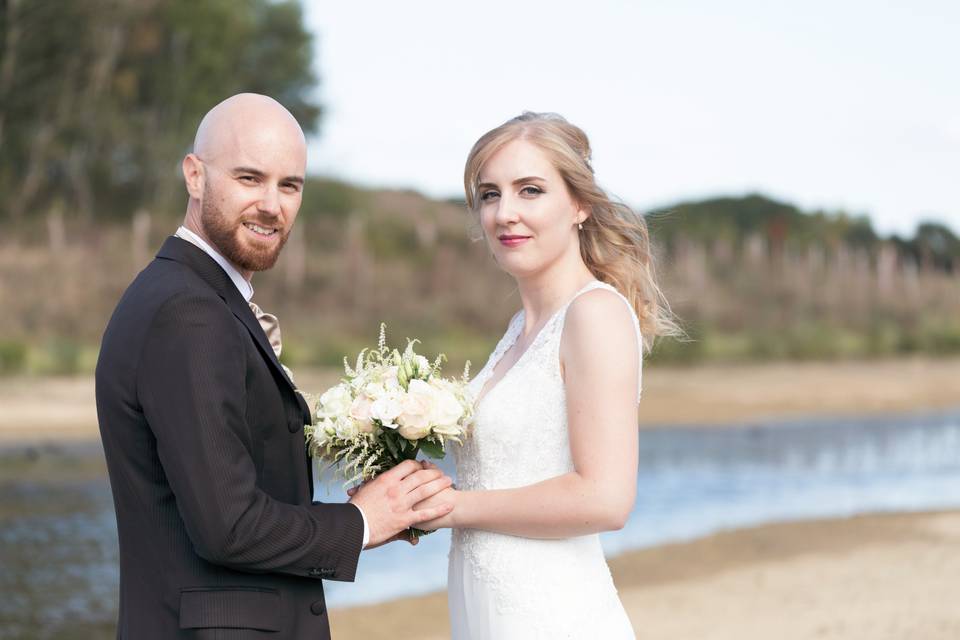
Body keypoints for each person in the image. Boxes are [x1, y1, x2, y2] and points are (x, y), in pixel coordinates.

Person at [95, 93, 453, 640]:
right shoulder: (188, 312)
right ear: (195, 175)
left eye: (290, 186)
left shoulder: (191, 296)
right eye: (248, 178)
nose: (272, 204)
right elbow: (228, 526)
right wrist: (359, 524)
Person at [416, 112, 679, 638]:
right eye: (489, 195)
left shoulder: (594, 315)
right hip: (488, 608)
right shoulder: (520, 328)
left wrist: (454, 507)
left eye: (529, 190)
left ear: (579, 204)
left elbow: (606, 498)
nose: (504, 213)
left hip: (552, 614)